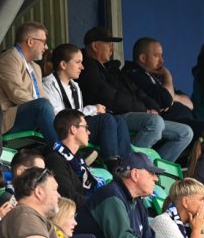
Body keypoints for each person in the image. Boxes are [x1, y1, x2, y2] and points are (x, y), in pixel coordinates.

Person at [78, 27, 190, 162]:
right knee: (155, 122)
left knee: (185, 133)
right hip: (115, 116)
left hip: (132, 114)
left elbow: (136, 90)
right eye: (108, 44)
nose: (112, 49)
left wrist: (152, 106)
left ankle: (153, 170)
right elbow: (112, 98)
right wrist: (144, 109)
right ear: (95, 46)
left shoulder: (111, 68)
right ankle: (132, 164)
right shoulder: (88, 70)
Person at [43, 43, 131, 164]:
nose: (82, 67)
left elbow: (78, 115)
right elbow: (59, 115)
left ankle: (127, 164)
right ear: (63, 65)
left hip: (77, 127)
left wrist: (94, 111)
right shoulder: (48, 84)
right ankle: (112, 164)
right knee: (106, 120)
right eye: (78, 62)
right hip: (64, 129)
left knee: (119, 120)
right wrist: (92, 109)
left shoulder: (75, 86)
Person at [0, 21, 57, 144]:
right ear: (30, 41)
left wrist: (55, 116)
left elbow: (43, 96)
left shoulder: (36, 67)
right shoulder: (9, 58)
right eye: (43, 42)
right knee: (43, 106)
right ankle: (60, 151)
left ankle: (65, 151)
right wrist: (43, 110)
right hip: (5, 120)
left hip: (31, 115)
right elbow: (17, 94)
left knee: (69, 120)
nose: (46, 47)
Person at [44, 109, 105, 205]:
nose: (89, 132)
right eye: (86, 127)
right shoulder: (55, 160)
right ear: (73, 129)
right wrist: (97, 204)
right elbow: (68, 196)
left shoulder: (78, 159)